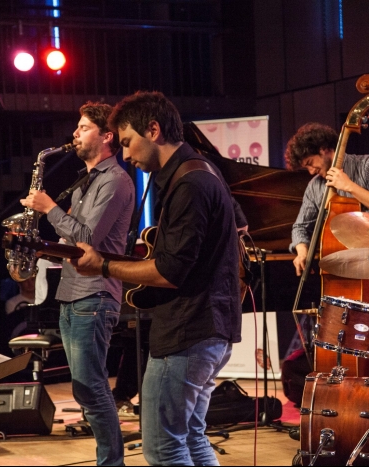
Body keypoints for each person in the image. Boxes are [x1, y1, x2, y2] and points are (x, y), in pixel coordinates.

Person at [69, 90, 242, 466]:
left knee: (164, 448)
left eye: (127, 142)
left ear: (153, 130)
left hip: (188, 332)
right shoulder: (200, 171)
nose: (125, 154)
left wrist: (102, 266)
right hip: (209, 329)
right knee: (192, 438)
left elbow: (168, 271)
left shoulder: (190, 184)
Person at [20, 102, 135, 466]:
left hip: (94, 296)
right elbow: (74, 243)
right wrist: (40, 247)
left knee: (92, 388)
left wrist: (49, 208)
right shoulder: (87, 181)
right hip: (72, 293)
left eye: (84, 127)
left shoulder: (115, 180)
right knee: (85, 389)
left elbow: (87, 239)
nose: (75, 133)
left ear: (107, 136)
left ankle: (111, 462)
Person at [285, 122, 369, 371]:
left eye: (311, 163)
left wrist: (350, 187)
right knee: (341, 337)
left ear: (325, 149)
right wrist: (302, 250)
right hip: (341, 271)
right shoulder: (315, 186)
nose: (310, 171)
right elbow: (300, 227)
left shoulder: (367, 165)